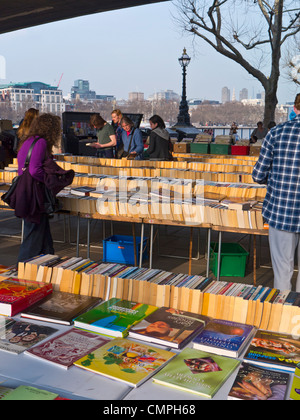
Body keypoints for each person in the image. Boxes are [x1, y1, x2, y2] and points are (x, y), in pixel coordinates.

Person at [252, 93, 300, 292]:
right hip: (285, 210)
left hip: (282, 210)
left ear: (295, 109)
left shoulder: (276, 133)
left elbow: (258, 174)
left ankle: (283, 313)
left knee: (282, 269)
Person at [17, 113, 61, 262]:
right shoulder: (40, 142)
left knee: (42, 235)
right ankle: (21, 271)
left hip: (26, 192)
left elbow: (22, 168)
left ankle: (48, 264)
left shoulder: (27, 141)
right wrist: (49, 181)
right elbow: (34, 170)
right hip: (34, 195)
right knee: (33, 238)